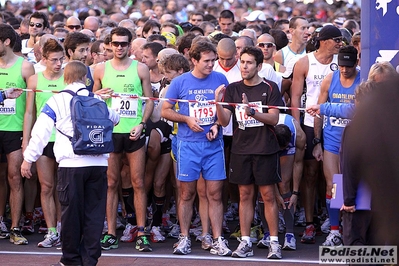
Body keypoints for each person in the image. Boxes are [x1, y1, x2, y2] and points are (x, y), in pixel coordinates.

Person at [21, 61, 119, 266]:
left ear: (66, 77)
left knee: (71, 214)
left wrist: (28, 159)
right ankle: (90, 259)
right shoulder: (97, 100)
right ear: (86, 78)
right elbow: (114, 118)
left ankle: (70, 259)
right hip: (99, 164)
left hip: (70, 165)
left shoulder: (56, 101)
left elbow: (40, 133)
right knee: (94, 214)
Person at [162, 40, 231, 256]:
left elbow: (226, 119)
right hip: (187, 145)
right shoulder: (180, 82)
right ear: (194, 60)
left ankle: (218, 239)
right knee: (186, 193)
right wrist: (186, 119)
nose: (212, 64)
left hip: (213, 146)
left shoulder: (221, 79)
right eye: (207, 61)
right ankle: (184, 237)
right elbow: (164, 110)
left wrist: (216, 124)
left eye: (214, 60)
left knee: (215, 194)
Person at [215, 46, 283, 259]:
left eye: (249, 63)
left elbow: (273, 119)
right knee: (245, 195)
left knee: (268, 195)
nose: (244, 66)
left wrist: (252, 111)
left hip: (265, 149)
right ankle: (245, 241)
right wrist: (218, 102)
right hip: (241, 150)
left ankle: (274, 242)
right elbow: (225, 121)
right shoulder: (232, 89)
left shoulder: (270, 88)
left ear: (259, 66)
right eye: (242, 62)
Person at [93, 26, 154, 252]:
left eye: (123, 44)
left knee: (138, 182)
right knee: (110, 183)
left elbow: (149, 100)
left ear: (130, 45)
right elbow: (91, 99)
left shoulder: (141, 69)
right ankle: (110, 233)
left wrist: (142, 124)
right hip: (110, 133)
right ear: (110, 44)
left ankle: (141, 232)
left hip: (133, 132)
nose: (119, 47)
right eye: (115, 43)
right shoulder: (99, 69)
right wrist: (98, 95)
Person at [291, 25, 342, 244]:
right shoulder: (304, 62)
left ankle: (335, 223)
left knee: (334, 178)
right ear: (323, 41)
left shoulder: (343, 62)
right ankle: (310, 221)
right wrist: (297, 125)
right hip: (311, 123)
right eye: (337, 40)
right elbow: (294, 98)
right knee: (310, 174)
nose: (340, 43)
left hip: (337, 124)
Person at [313, 45, 360, 246]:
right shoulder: (329, 79)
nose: (344, 70)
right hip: (332, 139)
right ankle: (334, 230)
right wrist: (317, 141)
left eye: (348, 66)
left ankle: (350, 228)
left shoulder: (361, 81)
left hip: (355, 141)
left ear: (356, 63)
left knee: (350, 187)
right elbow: (317, 111)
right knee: (334, 185)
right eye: (341, 65)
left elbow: (356, 110)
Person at [23, 38, 66, 248]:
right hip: (43, 140)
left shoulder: (69, 78)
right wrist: (26, 142)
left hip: (65, 141)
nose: (58, 64)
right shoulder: (34, 80)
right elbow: (29, 112)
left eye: (61, 59)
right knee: (47, 186)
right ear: (44, 58)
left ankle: (62, 228)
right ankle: (51, 231)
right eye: (54, 60)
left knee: (64, 187)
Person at [0, 24, 35, 245]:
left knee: (15, 178)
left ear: (6, 42)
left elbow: (31, 108)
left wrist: (27, 137)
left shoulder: (25, 67)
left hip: (14, 130)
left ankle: (15, 226)